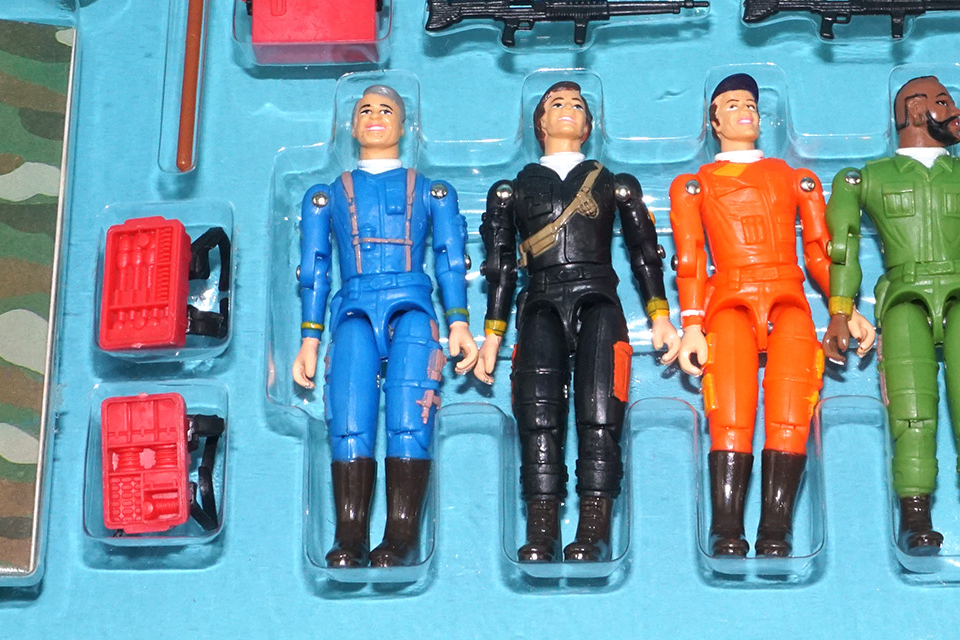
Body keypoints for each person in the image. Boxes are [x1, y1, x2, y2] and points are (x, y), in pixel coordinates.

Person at [669, 73, 874, 557]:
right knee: (729, 413)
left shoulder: (792, 177)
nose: (745, 111)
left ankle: (776, 530)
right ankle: (726, 528)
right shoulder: (695, 185)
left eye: (751, 105)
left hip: (788, 296)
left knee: (791, 411)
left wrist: (844, 307)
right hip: (729, 299)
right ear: (714, 122)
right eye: (732, 105)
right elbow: (690, 259)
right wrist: (691, 325)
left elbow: (820, 250)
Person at [822, 75, 960, 555]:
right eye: (941, 103)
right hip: (902, 296)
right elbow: (842, 246)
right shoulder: (869, 178)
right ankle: (915, 519)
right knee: (910, 413)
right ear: (916, 111)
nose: (954, 112)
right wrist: (839, 311)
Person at [476, 81, 678, 563]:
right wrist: (492, 335)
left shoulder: (613, 182)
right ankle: (541, 526)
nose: (567, 109)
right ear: (539, 123)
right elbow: (501, 266)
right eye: (556, 104)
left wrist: (662, 316)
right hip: (540, 302)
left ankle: (594, 527)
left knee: (601, 411)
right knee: (537, 415)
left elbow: (645, 252)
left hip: (598, 298)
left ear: (589, 126)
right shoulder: (512, 189)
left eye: (577, 105)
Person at [293, 85, 477, 567]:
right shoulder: (327, 196)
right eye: (366, 110)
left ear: (404, 125)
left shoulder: (432, 191)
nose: (375, 117)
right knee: (348, 420)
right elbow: (315, 267)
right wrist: (309, 339)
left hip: (412, 305)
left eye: (386, 109)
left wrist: (459, 323)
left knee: (410, 417)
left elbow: (450, 260)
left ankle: (402, 533)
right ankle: (349, 533)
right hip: (353, 308)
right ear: (352, 126)